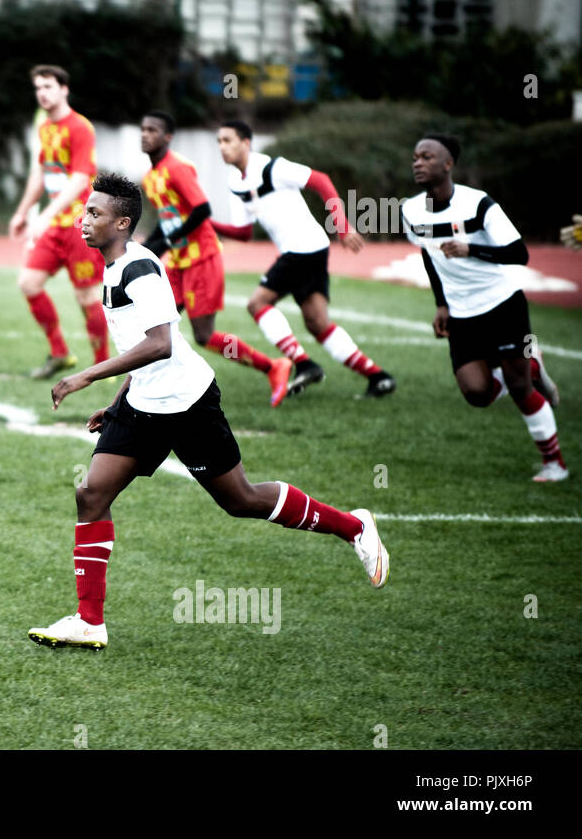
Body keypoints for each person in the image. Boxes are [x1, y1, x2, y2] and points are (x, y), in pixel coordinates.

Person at [28, 173, 389, 650]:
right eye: (85, 211)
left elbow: (160, 344)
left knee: (241, 500)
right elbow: (140, 346)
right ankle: (89, 621)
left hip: (188, 402)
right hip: (143, 405)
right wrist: (116, 403)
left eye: (94, 213)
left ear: (122, 222)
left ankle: (354, 525)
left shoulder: (140, 268)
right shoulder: (112, 267)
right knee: (91, 493)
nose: (83, 220)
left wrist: (87, 375)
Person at [403, 133, 565, 482]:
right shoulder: (410, 210)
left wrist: (471, 249)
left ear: (448, 164)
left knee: (520, 387)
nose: (418, 162)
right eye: (416, 156)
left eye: (428, 156)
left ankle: (555, 463)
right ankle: (531, 364)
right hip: (461, 313)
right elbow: (428, 255)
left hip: (504, 305)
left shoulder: (479, 204)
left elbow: (518, 254)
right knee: (476, 394)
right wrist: (441, 304)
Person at [211, 119, 395, 399]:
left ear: (246, 142)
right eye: (219, 142)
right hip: (310, 250)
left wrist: (342, 225)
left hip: (303, 249)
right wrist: (208, 224)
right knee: (317, 322)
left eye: (228, 140)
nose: (222, 147)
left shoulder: (273, 167)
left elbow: (321, 181)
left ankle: (305, 365)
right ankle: (378, 376)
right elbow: (245, 232)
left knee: (257, 303)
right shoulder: (235, 182)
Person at [139, 112, 293, 407]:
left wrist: (167, 242)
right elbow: (168, 220)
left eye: (152, 130)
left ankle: (272, 366)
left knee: (203, 334)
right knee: (159, 325)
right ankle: (154, 389)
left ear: (167, 136)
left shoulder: (178, 167)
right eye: (143, 129)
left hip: (202, 259)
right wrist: (147, 250)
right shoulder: (151, 177)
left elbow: (202, 210)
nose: (145, 135)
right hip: (179, 262)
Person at [8, 65, 109, 380]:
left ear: (64, 89)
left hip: (82, 225)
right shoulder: (45, 129)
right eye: (38, 87)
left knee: (87, 298)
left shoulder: (80, 128)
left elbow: (81, 179)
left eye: (48, 86)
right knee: (28, 282)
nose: (42, 93)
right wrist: (23, 212)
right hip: (53, 227)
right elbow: (41, 174)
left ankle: (103, 366)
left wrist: (46, 215)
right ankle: (60, 353)